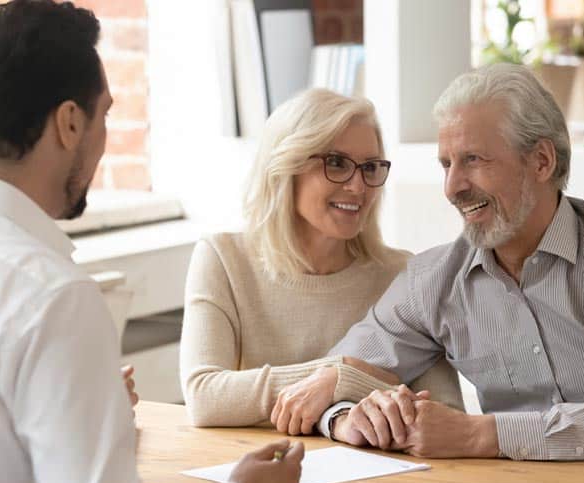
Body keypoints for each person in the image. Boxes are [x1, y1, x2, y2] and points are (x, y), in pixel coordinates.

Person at [0, 1, 303, 483]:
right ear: (70, 122)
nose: (104, 137)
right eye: (106, 113)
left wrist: (83, 409)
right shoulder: (52, 296)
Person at [304, 63, 584, 462]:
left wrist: (475, 435)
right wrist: (346, 418)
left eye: (473, 159)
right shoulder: (433, 282)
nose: (452, 187)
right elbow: (323, 383)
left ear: (541, 162)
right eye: (446, 164)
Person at [179, 88, 463, 433]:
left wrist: (337, 384)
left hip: (380, 478)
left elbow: (443, 411)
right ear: (286, 168)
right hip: (261, 469)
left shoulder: (402, 274)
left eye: (370, 167)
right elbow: (205, 397)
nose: (359, 187)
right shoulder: (223, 258)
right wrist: (343, 369)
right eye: (337, 163)